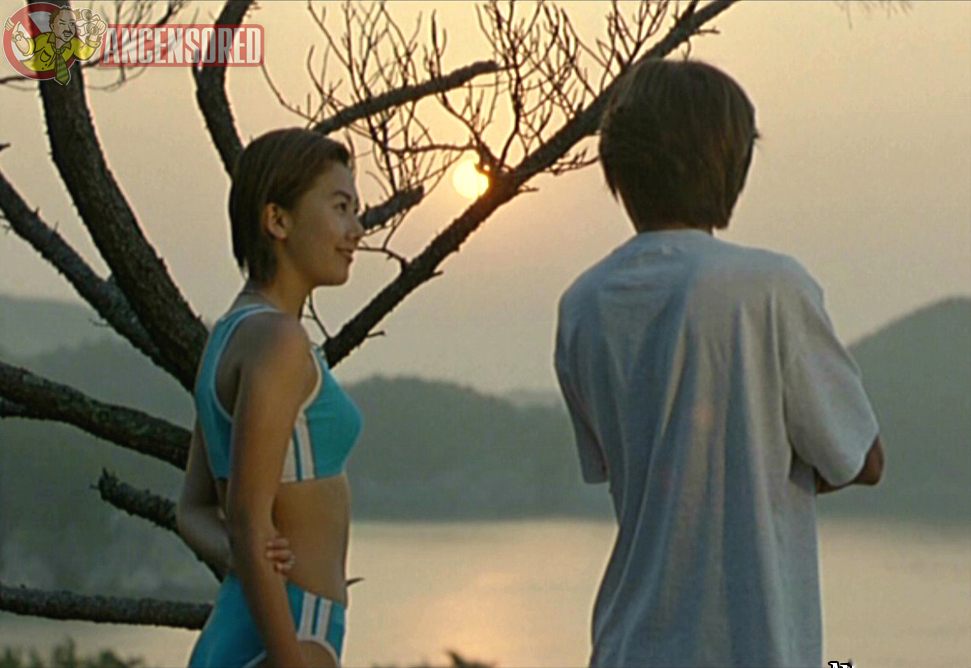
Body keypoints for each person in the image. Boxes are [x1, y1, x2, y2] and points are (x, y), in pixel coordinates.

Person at [554, 58, 885, 668]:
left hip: (626, 646)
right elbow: (862, 459)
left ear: (617, 165)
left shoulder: (583, 304)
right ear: (729, 164)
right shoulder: (770, 288)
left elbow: (633, 463)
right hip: (751, 647)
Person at [177, 128, 365, 668]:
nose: (357, 230)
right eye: (340, 208)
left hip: (241, 629)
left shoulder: (230, 335)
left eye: (356, 211)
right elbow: (245, 515)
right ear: (277, 220)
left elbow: (192, 509)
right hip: (287, 632)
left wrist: (241, 555)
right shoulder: (279, 342)